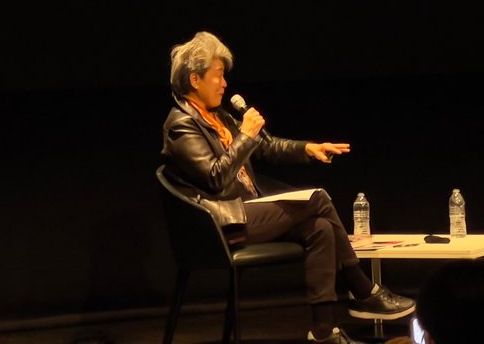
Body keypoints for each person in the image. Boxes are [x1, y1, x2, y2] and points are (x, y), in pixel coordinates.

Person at [161, 31, 415, 344]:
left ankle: (323, 333)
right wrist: (245, 136)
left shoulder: (219, 116)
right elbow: (215, 178)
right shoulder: (180, 124)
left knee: (320, 227)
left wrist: (309, 148)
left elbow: (267, 146)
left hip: (249, 213)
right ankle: (361, 288)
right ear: (195, 79)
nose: (225, 84)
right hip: (220, 224)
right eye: (218, 75)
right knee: (318, 198)